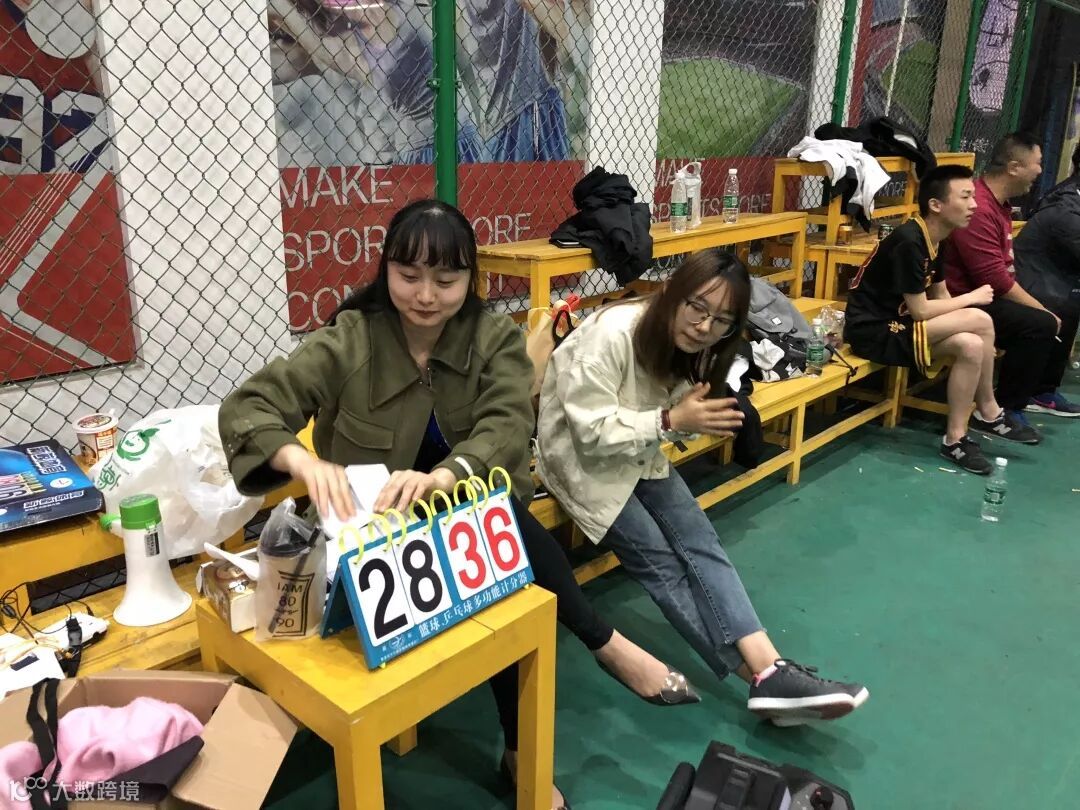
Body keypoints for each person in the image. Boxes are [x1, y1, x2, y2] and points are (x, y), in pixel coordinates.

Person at [218, 199, 695, 810]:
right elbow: (250, 406)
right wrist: (304, 462)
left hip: (463, 515)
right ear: (386, 269)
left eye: (446, 280)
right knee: (508, 546)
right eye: (409, 275)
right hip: (367, 534)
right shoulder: (351, 338)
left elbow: (506, 422)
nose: (425, 295)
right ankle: (602, 645)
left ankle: (524, 745)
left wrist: (447, 475)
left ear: (472, 279)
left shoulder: (493, 340)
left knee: (498, 548)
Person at [534, 248, 870, 727]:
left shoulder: (695, 346)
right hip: (581, 459)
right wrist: (672, 420)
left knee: (702, 541)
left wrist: (689, 419)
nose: (705, 326)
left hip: (639, 447)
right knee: (661, 562)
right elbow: (589, 433)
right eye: (698, 307)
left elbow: (674, 415)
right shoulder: (612, 334)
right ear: (674, 294)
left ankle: (771, 672)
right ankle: (761, 680)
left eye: (722, 320)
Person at [846, 165, 1019, 473]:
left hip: (904, 326)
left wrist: (975, 332)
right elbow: (921, 311)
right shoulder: (909, 240)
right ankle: (989, 411)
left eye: (973, 196)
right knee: (980, 319)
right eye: (965, 197)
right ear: (936, 205)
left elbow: (940, 295)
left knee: (971, 346)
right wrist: (971, 298)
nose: (974, 205)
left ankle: (955, 439)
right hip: (874, 331)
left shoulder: (940, 238)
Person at [940, 133, 1057, 442]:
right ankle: (1002, 409)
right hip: (966, 300)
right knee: (1041, 323)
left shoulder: (999, 205)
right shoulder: (978, 209)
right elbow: (994, 278)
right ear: (1014, 167)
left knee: (1058, 307)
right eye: (1037, 163)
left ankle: (1040, 393)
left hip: (986, 295)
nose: (1040, 171)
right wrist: (1043, 311)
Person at [1013, 142, 1080, 416]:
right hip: (1035, 281)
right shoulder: (1065, 205)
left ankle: (1044, 389)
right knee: (1067, 303)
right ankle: (1033, 392)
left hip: (1058, 278)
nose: (1040, 170)